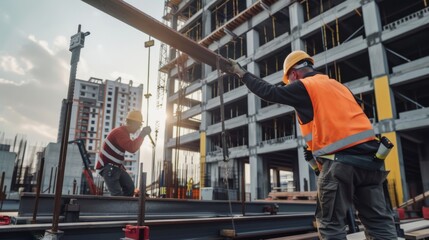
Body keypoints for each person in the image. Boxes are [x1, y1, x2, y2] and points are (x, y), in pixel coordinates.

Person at [226, 50, 397, 239]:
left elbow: (270, 92)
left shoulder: (305, 86)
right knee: (379, 222)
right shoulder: (338, 86)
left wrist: (241, 73)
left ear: (294, 73)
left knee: (331, 225)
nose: (290, 84)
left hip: (341, 164)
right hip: (372, 163)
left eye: (289, 80)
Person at [96, 110, 151, 196]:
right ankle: (120, 207)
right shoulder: (119, 132)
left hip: (116, 167)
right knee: (117, 195)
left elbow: (117, 156)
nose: (137, 129)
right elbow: (132, 148)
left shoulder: (124, 133)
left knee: (130, 188)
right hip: (109, 168)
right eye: (138, 126)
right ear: (133, 123)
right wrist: (142, 134)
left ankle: (126, 207)